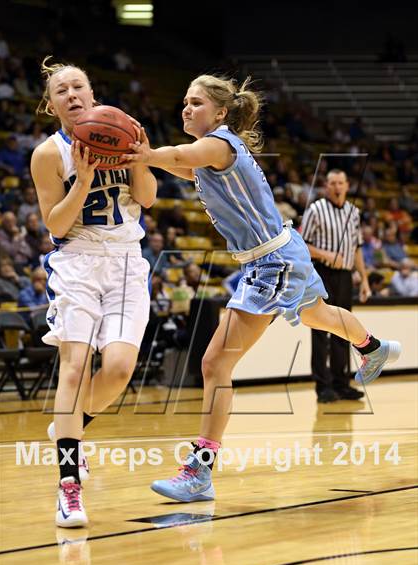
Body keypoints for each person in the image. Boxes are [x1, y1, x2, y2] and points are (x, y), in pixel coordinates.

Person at [121, 74, 401, 503]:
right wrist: (142, 158)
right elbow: (177, 162)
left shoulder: (218, 143)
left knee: (215, 364)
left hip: (272, 262)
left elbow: (178, 154)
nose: (185, 108)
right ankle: (372, 346)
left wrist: (142, 151)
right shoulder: (211, 150)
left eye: (195, 102)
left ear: (220, 112)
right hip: (280, 254)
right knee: (320, 315)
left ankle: (200, 469)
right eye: (183, 101)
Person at [30, 57, 157, 527]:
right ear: (51, 104)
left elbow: (146, 199)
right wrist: (82, 181)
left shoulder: (122, 129)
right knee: (75, 366)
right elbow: (55, 225)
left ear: (92, 92)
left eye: (77, 85)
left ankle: (70, 429)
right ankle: (69, 486)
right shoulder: (48, 154)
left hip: (125, 260)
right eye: (61, 90)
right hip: (78, 261)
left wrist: (140, 157)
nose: (71, 94)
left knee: (120, 369)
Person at [301, 169, 371, 403]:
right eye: (332, 183)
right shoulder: (315, 209)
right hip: (321, 273)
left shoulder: (354, 212)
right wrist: (326, 255)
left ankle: (342, 383)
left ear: (347, 185)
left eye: (341, 183)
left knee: (344, 330)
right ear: (326, 186)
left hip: (345, 276)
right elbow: (302, 246)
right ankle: (323, 386)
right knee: (321, 330)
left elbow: (358, 247)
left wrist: (364, 280)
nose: (337, 187)